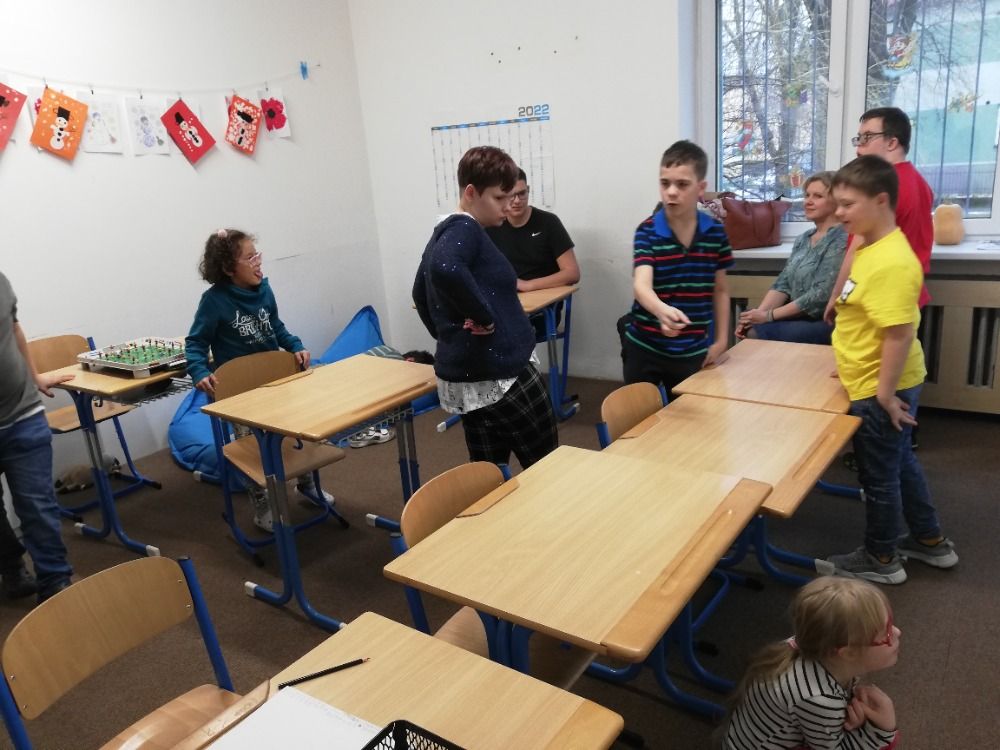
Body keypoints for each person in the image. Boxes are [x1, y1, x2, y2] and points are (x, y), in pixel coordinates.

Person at [816, 156, 957, 584]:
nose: (838, 212)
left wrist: (882, 394)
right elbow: (869, 318)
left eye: (847, 204)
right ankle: (930, 540)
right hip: (874, 376)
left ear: (881, 201)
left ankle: (881, 558)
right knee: (900, 464)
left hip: (881, 387)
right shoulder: (870, 244)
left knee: (878, 477)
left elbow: (898, 334)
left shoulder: (893, 261)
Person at [413, 146, 558, 469]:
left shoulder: (443, 231)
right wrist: (485, 319)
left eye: (513, 196)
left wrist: (451, 335)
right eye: (499, 197)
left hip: (472, 379)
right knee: (548, 467)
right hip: (503, 373)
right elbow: (445, 269)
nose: (508, 205)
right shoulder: (464, 229)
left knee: (488, 474)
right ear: (470, 193)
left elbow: (419, 294)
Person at [185, 229, 331, 532]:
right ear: (228, 268)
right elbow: (196, 343)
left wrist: (295, 346)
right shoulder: (213, 302)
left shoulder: (264, 290)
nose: (258, 262)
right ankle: (263, 505)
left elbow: (276, 326)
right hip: (241, 395)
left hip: (274, 384)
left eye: (257, 255)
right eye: (250, 257)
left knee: (296, 432)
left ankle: (307, 485)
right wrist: (199, 371)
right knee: (251, 449)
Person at [724, 577, 900, 749]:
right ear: (848, 653)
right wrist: (883, 729)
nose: (897, 632)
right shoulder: (819, 699)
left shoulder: (810, 645)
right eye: (886, 633)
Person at [622, 140, 733, 393]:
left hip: (692, 351)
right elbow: (641, 286)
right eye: (665, 183)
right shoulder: (647, 231)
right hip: (645, 346)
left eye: (682, 184)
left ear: (700, 188)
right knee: (641, 414)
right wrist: (662, 311)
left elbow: (721, 290)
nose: (671, 192)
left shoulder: (715, 233)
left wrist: (721, 341)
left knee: (689, 415)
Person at [0, 271, 75, 603]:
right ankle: (11, 569)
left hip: (23, 414)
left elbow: (14, 328)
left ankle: (55, 582)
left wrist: (34, 376)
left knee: (37, 505)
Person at [825, 106, 933, 325]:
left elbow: (858, 246)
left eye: (867, 138)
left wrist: (837, 296)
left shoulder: (882, 187)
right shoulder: (919, 182)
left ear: (892, 142)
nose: (859, 148)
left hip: (880, 294)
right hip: (902, 293)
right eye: (858, 139)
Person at [736, 171, 847, 344]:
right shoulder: (803, 239)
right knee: (751, 327)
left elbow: (820, 297)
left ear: (836, 201)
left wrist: (768, 316)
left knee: (756, 334)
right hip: (799, 318)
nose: (808, 201)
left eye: (818, 196)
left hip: (826, 321)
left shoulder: (842, 238)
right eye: (807, 195)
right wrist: (755, 316)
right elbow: (783, 284)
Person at [485, 168, 580, 338]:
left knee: (503, 333)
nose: (517, 200)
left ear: (528, 190)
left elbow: (572, 273)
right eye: (511, 195)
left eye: (522, 193)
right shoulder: (492, 225)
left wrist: (528, 285)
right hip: (506, 303)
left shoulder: (548, 222)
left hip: (543, 309)